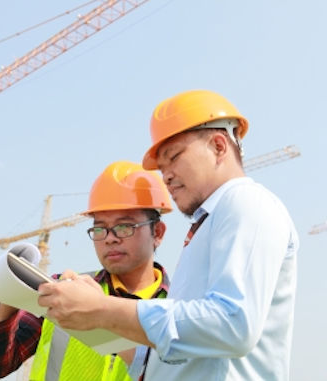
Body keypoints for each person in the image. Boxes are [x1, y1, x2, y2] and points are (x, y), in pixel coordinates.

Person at [37, 90, 299, 381]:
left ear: (218, 146)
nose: (167, 176)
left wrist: (104, 308)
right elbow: (184, 355)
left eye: (173, 157)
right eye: (162, 168)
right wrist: (98, 317)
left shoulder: (247, 202)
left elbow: (232, 324)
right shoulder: (208, 226)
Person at [0, 160, 173, 381]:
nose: (110, 238)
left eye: (124, 227)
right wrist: (12, 294)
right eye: (99, 229)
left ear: (158, 232)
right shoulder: (62, 292)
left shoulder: (177, 311)